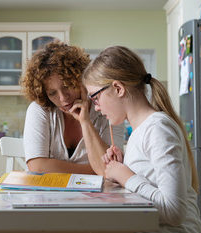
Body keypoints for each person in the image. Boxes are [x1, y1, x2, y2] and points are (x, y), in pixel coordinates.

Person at [80, 45, 201, 233]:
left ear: (118, 88)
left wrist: (126, 176)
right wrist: (122, 169)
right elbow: (149, 186)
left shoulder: (157, 129)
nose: (96, 107)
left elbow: (174, 211)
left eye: (95, 98)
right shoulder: (141, 130)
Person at [21, 41, 124, 174]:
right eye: (52, 93)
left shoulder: (107, 110)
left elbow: (112, 168)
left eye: (67, 86)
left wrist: (85, 122)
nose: (63, 98)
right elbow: (37, 166)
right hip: (46, 193)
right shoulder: (40, 110)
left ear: (80, 79)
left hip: (95, 194)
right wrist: (94, 170)